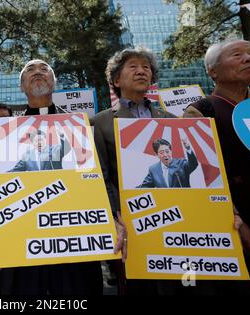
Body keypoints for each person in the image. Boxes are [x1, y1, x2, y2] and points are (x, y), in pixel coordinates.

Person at [0, 59, 123, 295]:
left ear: (54, 82)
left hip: (74, 242)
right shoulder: (7, 132)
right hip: (21, 241)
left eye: (44, 69)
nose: (37, 72)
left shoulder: (79, 126)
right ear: (22, 86)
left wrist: (113, 220)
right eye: (30, 70)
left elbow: (99, 178)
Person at [184, 39, 250, 294]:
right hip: (241, 221)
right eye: (237, 54)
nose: (249, 58)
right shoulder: (200, 112)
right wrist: (235, 220)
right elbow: (202, 177)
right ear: (213, 71)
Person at [93, 47, 176, 294]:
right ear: (116, 80)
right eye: (133, 66)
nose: (141, 71)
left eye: (146, 67)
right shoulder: (101, 122)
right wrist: (114, 217)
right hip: (130, 223)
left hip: (176, 220)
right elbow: (102, 177)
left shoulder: (172, 120)